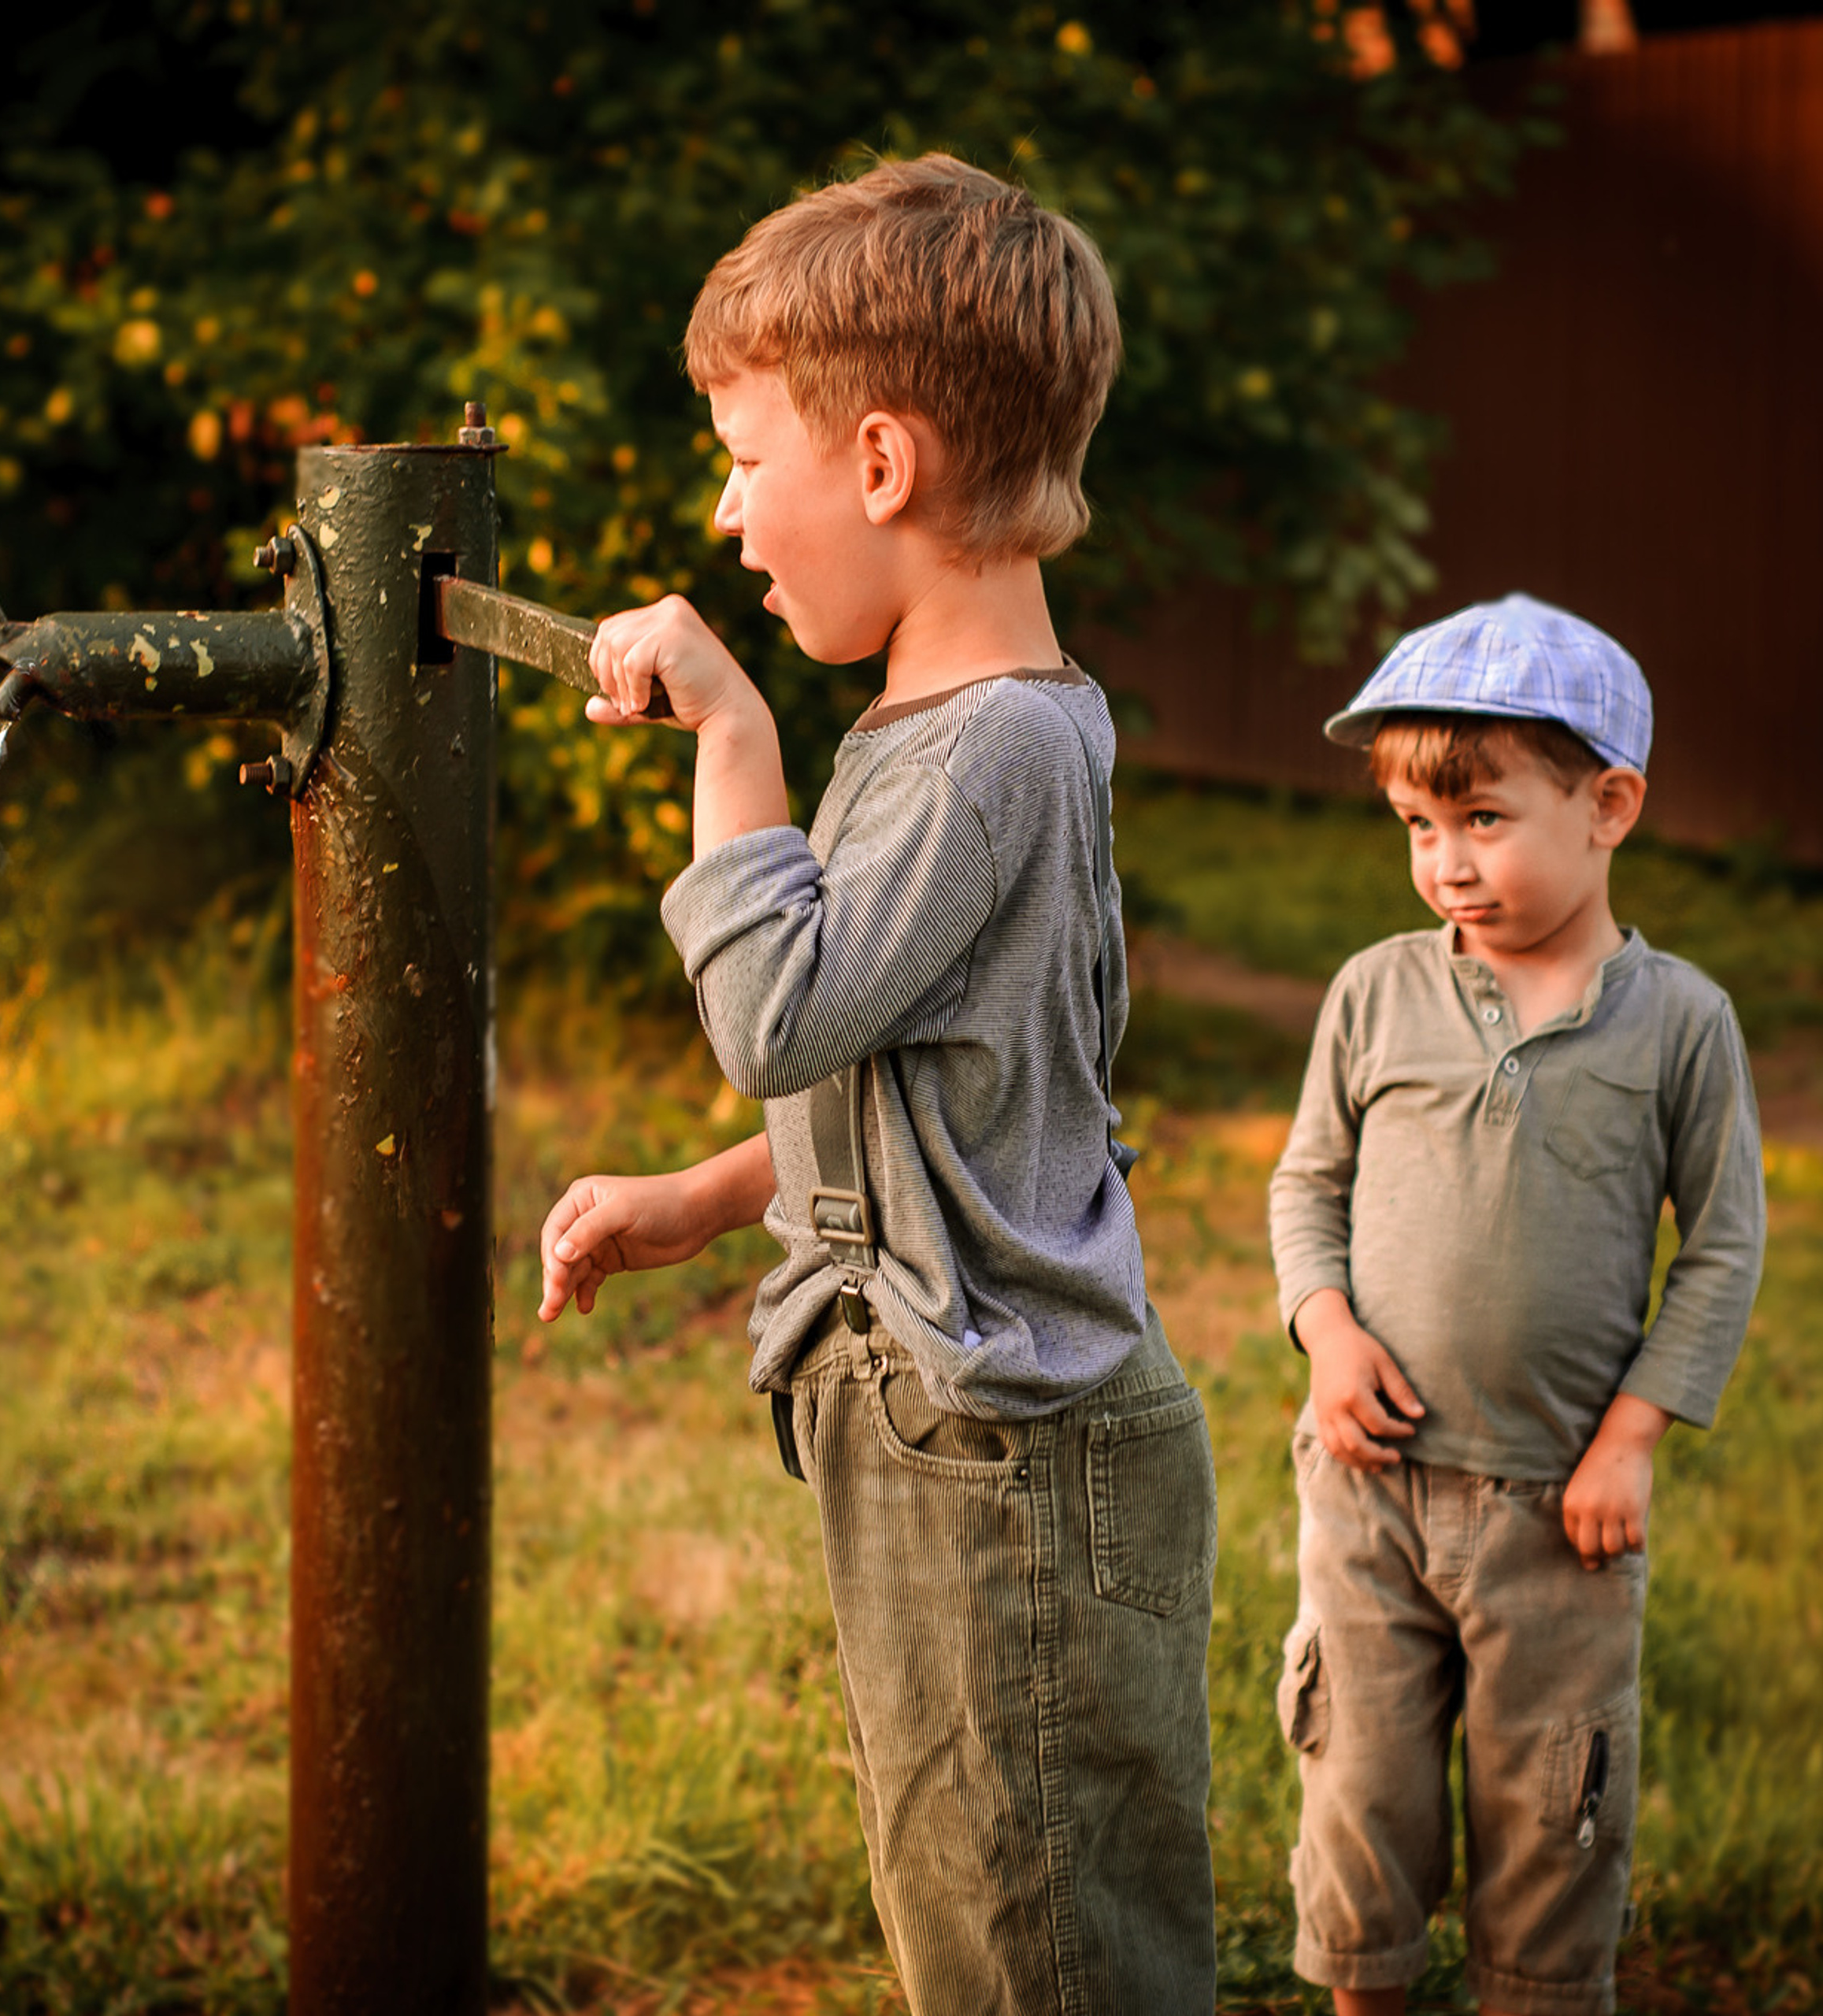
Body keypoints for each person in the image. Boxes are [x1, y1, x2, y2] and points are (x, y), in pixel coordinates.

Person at [535, 154, 1218, 2014]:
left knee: (1037, 1934)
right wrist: (699, 1198)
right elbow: (920, 1076)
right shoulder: (977, 734)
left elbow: (774, 1009)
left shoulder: (980, 748)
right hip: (964, 1436)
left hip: (995, 1452)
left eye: (744, 461)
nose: (730, 518)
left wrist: (733, 729)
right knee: (982, 1897)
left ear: (884, 466)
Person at [1268, 594, 1766, 2016]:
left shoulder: (1679, 1025)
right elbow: (1307, 1188)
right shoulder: (1373, 997)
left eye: (1482, 819)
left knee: (1552, 1815)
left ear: (1608, 805)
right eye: (1420, 828)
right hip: (1368, 1488)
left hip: (1561, 1512)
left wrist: (1632, 1439)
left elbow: (1723, 1247)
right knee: (1359, 1788)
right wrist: (1327, 1333)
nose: (1446, 864)